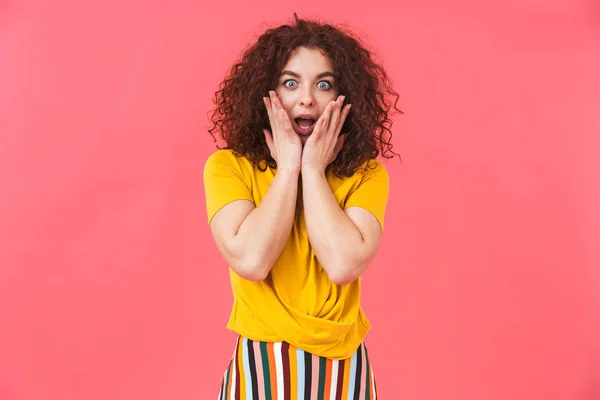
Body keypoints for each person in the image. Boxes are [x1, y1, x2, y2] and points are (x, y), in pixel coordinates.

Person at [203, 13, 401, 400]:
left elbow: (344, 264)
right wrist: (288, 167)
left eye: (323, 84)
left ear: (345, 97)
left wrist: (312, 168)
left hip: (344, 365)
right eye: (290, 83)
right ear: (265, 93)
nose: (307, 98)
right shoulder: (228, 167)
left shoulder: (366, 174)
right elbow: (252, 261)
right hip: (259, 361)